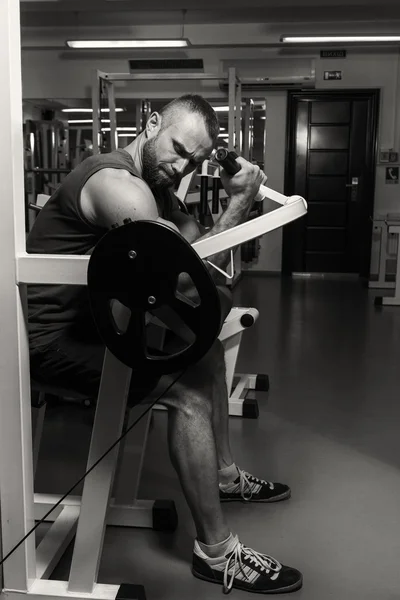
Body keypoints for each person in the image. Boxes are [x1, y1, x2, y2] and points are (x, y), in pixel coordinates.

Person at [27, 94, 303, 595]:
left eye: (194, 162)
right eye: (177, 150)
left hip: (103, 326)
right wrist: (239, 204)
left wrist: (227, 210)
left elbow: (213, 294)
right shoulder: (118, 186)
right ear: (151, 124)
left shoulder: (163, 193)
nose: (180, 168)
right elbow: (185, 288)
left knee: (207, 348)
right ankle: (215, 554)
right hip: (50, 344)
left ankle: (220, 476)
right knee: (189, 392)